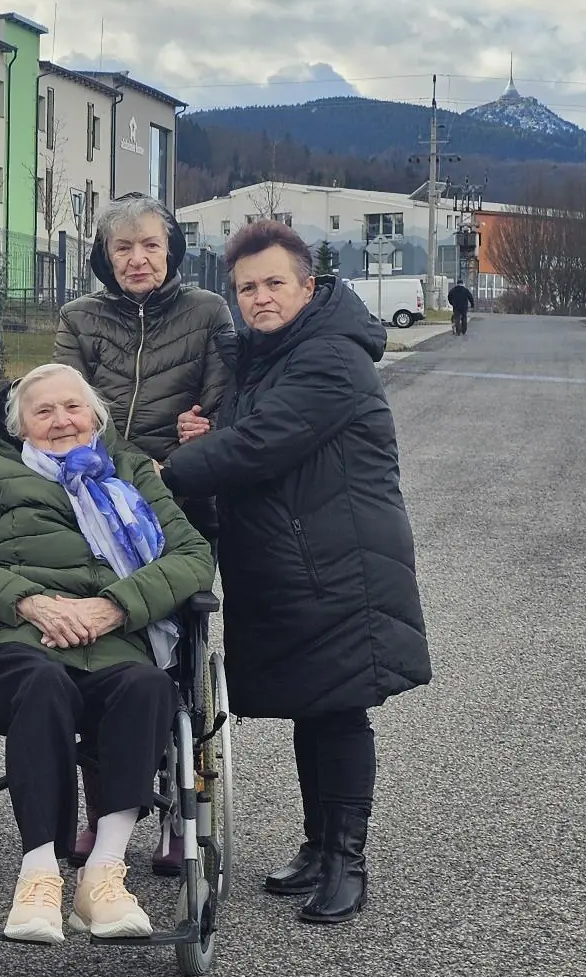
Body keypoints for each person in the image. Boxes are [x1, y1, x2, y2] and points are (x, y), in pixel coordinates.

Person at [163, 221, 431, 925]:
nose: (260, 297)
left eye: (274, 283)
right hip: (297, 557)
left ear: (308, 287)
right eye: (247, 287)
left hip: (341, 559)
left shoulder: (331, 357)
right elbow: (243, 430)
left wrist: (170, 470)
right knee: (314, 704)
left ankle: (346, 861)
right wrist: (209, 431)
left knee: (339, 709)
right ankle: (317, 848)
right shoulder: (266, 356)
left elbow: (262, 443)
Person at [0, 364, 214, 942]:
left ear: (95, 417)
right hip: (12, 641)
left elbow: (193, 556)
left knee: (149, 687)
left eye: (73, 407)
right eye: (43, 411)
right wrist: (29, 602)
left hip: (114, 640)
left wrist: (116, 607)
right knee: (42, 685)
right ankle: (39, 874)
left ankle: (102, 874)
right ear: (20, 428)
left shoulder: (130, 470)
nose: (61, 421)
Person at [53, 192, 234, 865]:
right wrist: (117, 468)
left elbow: (224, 407)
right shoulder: (80, 318)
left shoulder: (208, 313)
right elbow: (65, 410)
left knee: (177, 661)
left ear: (171, 250)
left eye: (150, 245)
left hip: (179, 503)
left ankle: (179, 811)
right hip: (95, 506)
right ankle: (102, 809)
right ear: (104, 256)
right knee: (101, 652)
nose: (137, 259)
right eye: (122, 247)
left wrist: (193, 440)